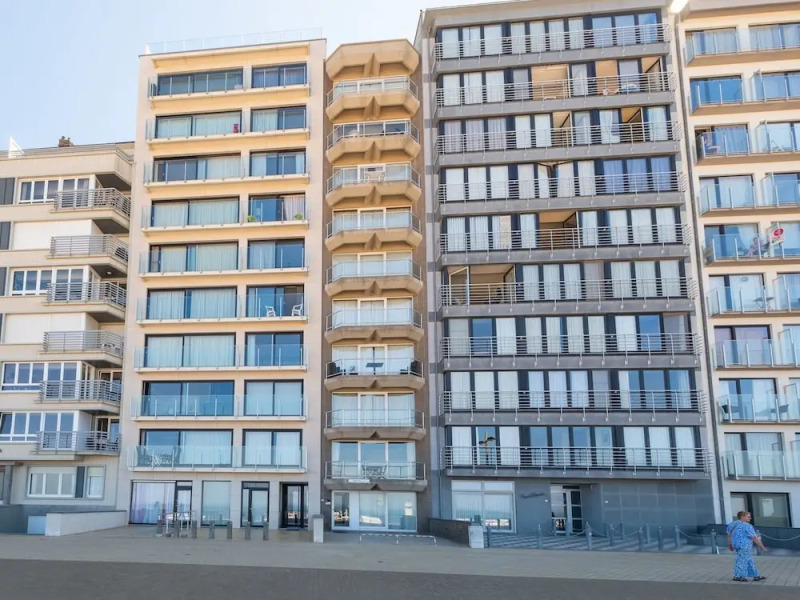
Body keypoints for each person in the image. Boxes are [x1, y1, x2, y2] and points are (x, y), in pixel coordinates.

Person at [726, 511, 767, 582]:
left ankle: (756, 575)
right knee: (742, 560)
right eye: (748, 516)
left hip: (737, 545)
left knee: (749, 559)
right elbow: (754, 538)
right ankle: (738, 576)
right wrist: (762, 547)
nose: (750, 518)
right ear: (742, 516)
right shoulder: (747, 526)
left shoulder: (732, 524)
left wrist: (730, 544)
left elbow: (729, 535)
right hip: (745, 545)